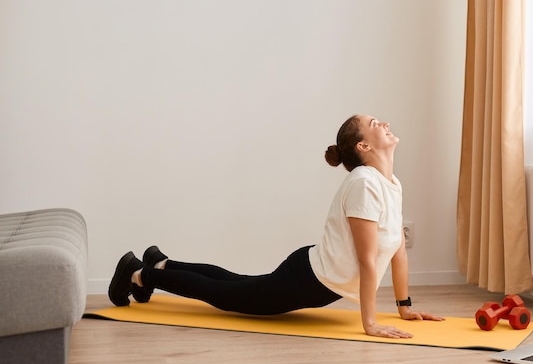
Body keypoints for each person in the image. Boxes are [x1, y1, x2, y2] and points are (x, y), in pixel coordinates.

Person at [108, 114, 444, 338]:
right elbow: (368, 259)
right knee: (225, 295)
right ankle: (139, 274)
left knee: (235, 282)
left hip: (312, 275)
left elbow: (398, 251)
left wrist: (405, 307)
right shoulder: (364, 183)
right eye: (375, 123)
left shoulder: (391, 183)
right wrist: (369, 324)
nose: (384, 122)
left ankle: (161, 263)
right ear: (364, 146)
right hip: (308, 279)